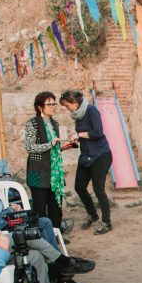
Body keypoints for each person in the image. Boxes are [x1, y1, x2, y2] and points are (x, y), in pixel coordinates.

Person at [0, 162, 93, 283]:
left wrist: (12, 212)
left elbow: (0, 217)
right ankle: (62, 267)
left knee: (45, 222)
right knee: (32, 236)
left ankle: (60, 269)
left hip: (9, 228)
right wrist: (10, 211)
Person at [60, 89, 113, 235]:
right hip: (86, 155)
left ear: (74, 102)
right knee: (79, 186)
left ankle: (107, 222)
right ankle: (93, 214)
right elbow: (83, 136)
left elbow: (98, 132)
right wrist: (75, 141)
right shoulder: (78, 115)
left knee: (98, 189)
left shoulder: (91, 110)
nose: (66, 108)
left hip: (101, 155)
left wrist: (79, 134)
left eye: (66, 105)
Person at [24, 92, 75, 234]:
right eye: (49, 104)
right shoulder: (32, 123)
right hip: (39, 172)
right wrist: (50, 144)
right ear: (40, 107)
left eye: (54, 104)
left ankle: (57, 237)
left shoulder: (55, 124)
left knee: (56, 209)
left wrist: (65, 146)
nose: (53, 107)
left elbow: (55, 148)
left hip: (54, 173)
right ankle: (44, 241)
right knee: (40, 210)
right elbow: (30, 147)